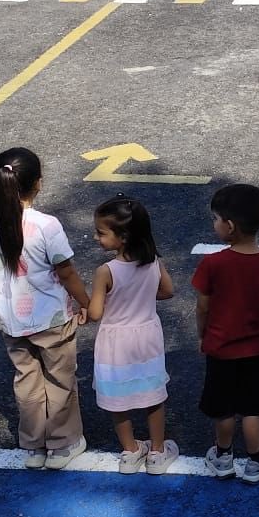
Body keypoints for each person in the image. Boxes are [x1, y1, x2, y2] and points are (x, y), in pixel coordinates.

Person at [0, 147, 91, 470]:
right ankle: (62, 443)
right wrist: (85, 302)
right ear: (38, 182)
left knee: (27, 382)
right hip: (52, 319)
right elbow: (66, 272)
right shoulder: (46, 225)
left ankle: (34, 445)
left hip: (13, 322)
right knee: (60, 380)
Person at [191, 183, 259, 482]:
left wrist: (202, 336)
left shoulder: (212, 264)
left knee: (223, 409)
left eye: (215, 219)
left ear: (230, 226)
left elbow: (202, 308)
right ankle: (256, 460)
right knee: (252, 409)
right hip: (258, 351)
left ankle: (223, 456)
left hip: (220, 348)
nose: (214, 224)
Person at [86, 195, 178, 474]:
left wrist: (84, 307)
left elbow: (95, 313)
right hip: (147, 336)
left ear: (122, 236)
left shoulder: (106, 271)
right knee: (153, 395)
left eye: (101, 233)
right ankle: (158, 452)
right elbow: (167, 291)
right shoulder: (152, 263)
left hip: (115, 341)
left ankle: (130, 450)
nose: (95, 237)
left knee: (118, 397)